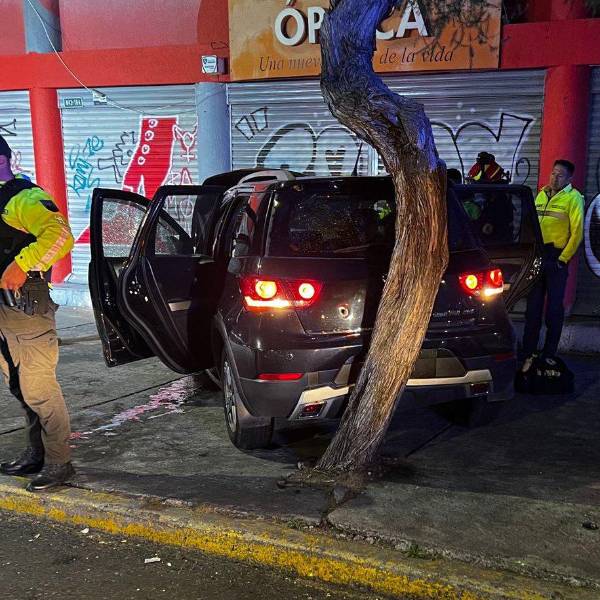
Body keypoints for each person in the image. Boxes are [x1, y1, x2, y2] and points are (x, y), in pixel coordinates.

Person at [0, 134, 75, 492]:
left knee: (38, 387)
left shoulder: (25, 198)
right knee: (18, 385)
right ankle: (37, 453)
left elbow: (60, 237)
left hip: (25, 305)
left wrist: (21, 264)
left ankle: (59, 462)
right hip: (4, 310)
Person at [522, 159, 584, 368]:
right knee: (533, 309)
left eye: (560, 175)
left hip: (556, 258)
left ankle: (549, 353)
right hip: (538, 256)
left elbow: (577, 233)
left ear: (569, 178)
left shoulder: (573, 198)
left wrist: (562, 259)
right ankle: (528, 352)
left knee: (553, 311)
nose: (555, 178)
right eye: (553, 173)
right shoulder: (541, 195)